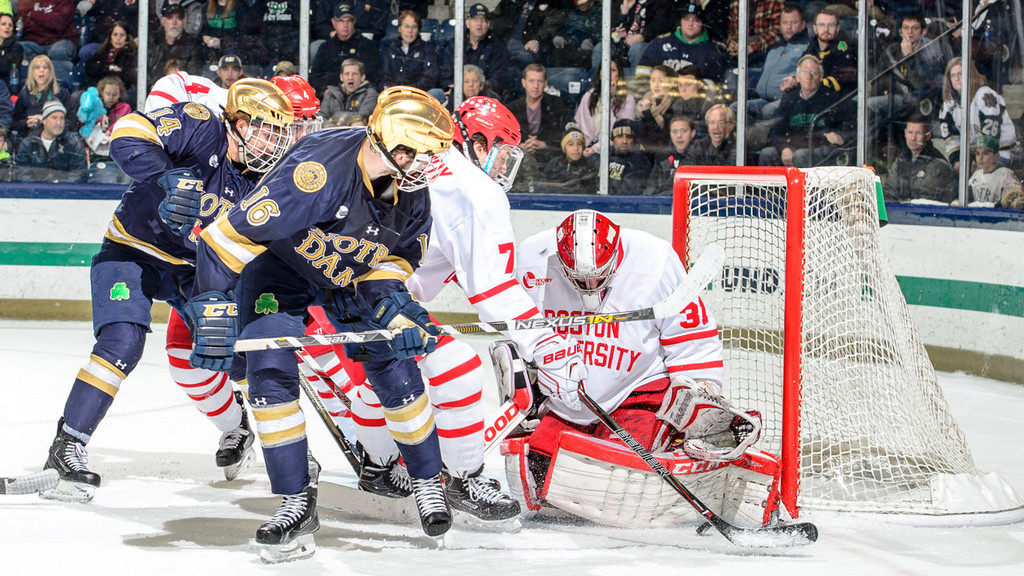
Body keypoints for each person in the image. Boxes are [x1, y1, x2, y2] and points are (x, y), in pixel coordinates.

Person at [189, 86, 457, 559]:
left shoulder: (412, 190)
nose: (428, 166)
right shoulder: (315, 173)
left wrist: (395, 307)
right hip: (281, 270)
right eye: (421, 154)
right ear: (394, 146)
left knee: (395, 366)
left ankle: (427, 480)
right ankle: (295, 498)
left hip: (351, 275)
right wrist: (212, 307)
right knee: (268, 371)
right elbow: (225, 239)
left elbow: (394, 259)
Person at [38, 78, 294, 505]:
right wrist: (167, 176)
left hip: (197, 271)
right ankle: (67, 444)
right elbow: (127, 132)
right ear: (241, 123)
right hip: (132, 249)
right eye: (269, 130)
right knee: (122, 341)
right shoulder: (201, 124)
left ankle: (258, 435)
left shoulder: (263, 182)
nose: (275, 142)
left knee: (234, 350)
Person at [349, 96, 587, 528]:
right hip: (369, 294)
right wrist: (545, 342)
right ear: (477, 144)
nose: (504, 167)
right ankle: (463, 479)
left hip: (338, 284)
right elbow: (492, 289)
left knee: (391, 372)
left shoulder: (430, 162)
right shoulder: (473, 189)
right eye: (502, 153)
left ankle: (377, 464)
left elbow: (437, 266)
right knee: (457, 368)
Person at [505, 210, 763, 526]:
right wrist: (534, 376)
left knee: (616, 476)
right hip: (565, 402)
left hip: (637, 392)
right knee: (537, 473)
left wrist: (700, 393)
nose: (590, 286)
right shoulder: (532, 259)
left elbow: (691, 336)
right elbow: (516, 327)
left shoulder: (655, 261)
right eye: (579, 278)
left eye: (599, 276)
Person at [759, 55, 851, 167]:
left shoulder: (832, 98)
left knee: (800, 155)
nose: (809, 77)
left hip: (820, 148)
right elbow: (775, 131)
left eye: (814, 73)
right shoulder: (789, 99)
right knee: (767, 153)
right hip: (794, 145)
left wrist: (842, 136)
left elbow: (860, 118)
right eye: (804, 73)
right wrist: (784, 148)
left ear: (821, 76)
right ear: (797, 77)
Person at [868, 12, 948, 129]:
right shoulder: (892, 50)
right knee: (856, 102)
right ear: (900, 32)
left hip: (914, 101)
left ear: (923, 32)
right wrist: (870, 92)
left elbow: (919, 85)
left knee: (869, 104)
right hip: (892, 95)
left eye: (915, 28)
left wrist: (908, 57)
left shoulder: (929, 53)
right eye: (906, 28)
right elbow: (879, 77)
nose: (910, 32)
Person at [937, 57, 1017, 171]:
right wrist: (956, 161)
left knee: (978, 178)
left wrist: (975, 159)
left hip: (1000, 153)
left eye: (960, 74)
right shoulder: (949, 102)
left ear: (970, 74)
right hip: (975, 154)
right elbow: (950, 137)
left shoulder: (984, 95)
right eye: (953, 75)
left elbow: (989, 135)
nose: (956, 78)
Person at [636, 2, 727, 83]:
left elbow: (714, 83)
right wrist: (648, 91)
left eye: (696, 20)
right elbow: (643, 70)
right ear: (680, 22)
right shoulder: (661, 42)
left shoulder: (712, 50)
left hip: (693, 96)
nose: (690, 24)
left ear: (702, 24)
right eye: (686, 19)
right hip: (659, 94)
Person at [744, 4, 807, 121]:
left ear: (803, 25)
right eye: (785, 23)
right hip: (762, 100)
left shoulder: (807, 48)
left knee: (768, 111)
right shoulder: (774, 48)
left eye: (793, 22)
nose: (789, 27)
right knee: (737, 108)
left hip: (787, 101)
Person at [441, 4, 513, 99]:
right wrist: (453, 88)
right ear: (467, 23)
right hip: (458, 94)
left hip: (485, 96)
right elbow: (446, 76)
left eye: (483, 20)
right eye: (475, 19)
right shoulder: (455, 45)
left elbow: (498, 79)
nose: (479, 24)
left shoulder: (496, 46)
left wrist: (478, 88)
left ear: (488, 24)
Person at [309, 2, 382, 96]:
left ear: (354, 22)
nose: (345, 25)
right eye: (341, 21)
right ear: (333, 22)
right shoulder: (325, 47)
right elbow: (315, 76)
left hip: (358, 95)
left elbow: (373, 75)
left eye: (349, 21)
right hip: (331, 95)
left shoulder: (367, 46)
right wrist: (324, 90)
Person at [882, 114, 957, 204]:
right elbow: (888, 193)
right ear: (905, 133)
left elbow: (925, 200)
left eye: (918, 133)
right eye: (910, 132)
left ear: (928, 136)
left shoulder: (938, 164)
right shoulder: (901, 160)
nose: (913, 138)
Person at [780, 6, 856, 96]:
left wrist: (800, 83)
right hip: (811, 95)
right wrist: (793, 80)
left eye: (831, 25)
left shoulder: (845, 49)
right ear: (815, 29)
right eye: (822, 25)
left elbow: (836, 83)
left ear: (837, 28)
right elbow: (802, 69)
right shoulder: (811, 46)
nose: (826, 29)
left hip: (836, 98)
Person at [507, 63, 570, 168]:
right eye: (531, 81)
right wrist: (521, 146)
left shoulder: (558, 105)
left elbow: (564, 136)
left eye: (539, 81)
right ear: (524, 83)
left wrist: (544, 145)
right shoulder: (512, 108)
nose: (536, 86)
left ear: (545, 83)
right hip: (521, 160)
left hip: (550, 160)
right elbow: (505, 139)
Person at [14, 99, 88, 182]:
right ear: (44, 121)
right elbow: (21, 173)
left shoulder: (74, 143)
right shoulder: (28, 143)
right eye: (54, 118)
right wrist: (38, 188)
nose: (59, 123)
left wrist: (61, 187)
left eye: (62, 118)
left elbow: (79, 174)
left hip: (65, 189)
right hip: (35, 189)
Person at [574, 58, 636, 156]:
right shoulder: (589, 95)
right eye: (605, 69)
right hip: (586, 147)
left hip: (612, 151)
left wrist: (595, 148)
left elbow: (624, 134)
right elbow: (579, 125)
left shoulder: (628, 99)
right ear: (600, 74)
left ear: (619, 75)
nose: (608, 74)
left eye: (613, 70)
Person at [77, 75, 132, 183]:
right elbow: (85, 123)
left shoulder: (125, 108)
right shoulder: (95, 107)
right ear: (101, 92)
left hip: (116, 150)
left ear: (120, 93)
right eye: (108, 94)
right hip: (94, 150)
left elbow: (124, 122)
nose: (111, 97)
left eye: (115, 94)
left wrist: (111, 129)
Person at [597, 0, 675, 70]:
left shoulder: (661, 3)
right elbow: (609, 29)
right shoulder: (621, 2)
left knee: (637, 48)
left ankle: (637, 81)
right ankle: (597, 81)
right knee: (600, 48)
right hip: (621, 43)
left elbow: (660, 27)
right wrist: (624, 12)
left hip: (646, 43)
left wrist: (643, 36)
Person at [11, 55, 74, 139]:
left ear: (50, 71)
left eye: (45, 67)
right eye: (37, 67)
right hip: (31, 138)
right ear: (32, 72)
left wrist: (48, 122)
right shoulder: (24, 94)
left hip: (57, 138)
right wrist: (27, 123)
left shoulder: (62, 94)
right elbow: (14, 123)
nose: (41, 70)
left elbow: (71, 123)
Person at [489, 0, 563, 71]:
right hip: (504, 43)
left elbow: (550, 26)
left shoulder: (552, 4)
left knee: (525, 60)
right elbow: (495, 19)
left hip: (526, 45)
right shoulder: (510, 2)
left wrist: (537, 40)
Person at [16, 0, 77, 84]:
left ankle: (58, 87)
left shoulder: (65, 2)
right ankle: (28, 86)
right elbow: (24, 23)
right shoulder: (28, 1)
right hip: (34, 43)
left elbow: (58, 24)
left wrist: (33, 14)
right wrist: (47, 21)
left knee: (59, 50)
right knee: (19, 48)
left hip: (60, 41)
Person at [381, 10, 440, 93]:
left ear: (418, 29)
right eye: (406, 26)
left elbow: (429, 79)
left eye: (414, 27)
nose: (410, 30)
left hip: (418, 95)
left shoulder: (427, 49)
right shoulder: (391, 49)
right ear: (399, 28)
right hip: (395, 95)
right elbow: (385, 77)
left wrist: (408, 91)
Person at [644, 114, 701, 195]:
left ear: (692, 133)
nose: (679, 136)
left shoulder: (700, 157)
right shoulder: (663, 156)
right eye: (674, 132)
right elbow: (650, 187)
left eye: (684, 131)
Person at [148, 3, 203, 81]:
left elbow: (194, 72)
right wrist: (151, 84)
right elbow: (137, 67)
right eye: (170, 18)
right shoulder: (151, 40)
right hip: (152, 86)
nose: (174, 22)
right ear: (163, 21)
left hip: (180, 86)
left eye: (178, 18)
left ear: (184, 21)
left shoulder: (194, 44)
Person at [635, 65, 679, 158]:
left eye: (661, 81)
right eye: (653, 80)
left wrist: (647, 113)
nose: (656, 85)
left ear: (671, 83)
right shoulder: (644, 102)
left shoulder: (674, 104)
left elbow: (659, 140)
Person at [539, 124, 598, 194]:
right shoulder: (554, 164)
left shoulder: (589, 166)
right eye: (571, 144)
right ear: (564, 148)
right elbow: (544, 188)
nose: (576, 148)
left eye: (579, 144)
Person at [968, 135, 1024, 208]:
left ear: (996, 156)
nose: (980, 158)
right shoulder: (976, 175)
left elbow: (1012, 204)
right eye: (977, 153)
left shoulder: (1006, 174)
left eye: (985, 153)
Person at [320, 58, 378, 127]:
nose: (350, 77)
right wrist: (331, 128)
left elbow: (363, 117)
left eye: (355, 74)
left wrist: (335, 117)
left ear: (362, 77)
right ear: (341, 77)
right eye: (347, 74)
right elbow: (320, 117)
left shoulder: (370, 94)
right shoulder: (330, 94)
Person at [601, 119, 653, 196]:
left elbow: (627, 193)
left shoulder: (640, 161)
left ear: (634, 140)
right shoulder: (605, 155)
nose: (624, 141)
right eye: (620, 136)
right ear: (613, 139)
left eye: (629, 137)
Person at [725, 0, 784, 67]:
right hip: (740, 49)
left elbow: (778, 33)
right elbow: (732, 32)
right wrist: (732, 44)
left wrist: (751, 47)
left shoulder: (776, 3)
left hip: (765, 48)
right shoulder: (736, 4)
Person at [84, 20, 137, 91]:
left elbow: (126, 76)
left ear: (127, 38)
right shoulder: (103, 51)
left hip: (121, 91)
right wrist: (109, 67)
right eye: (115, 35)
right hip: (99, 88)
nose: (118, 38)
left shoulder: (131, 54)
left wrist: (103, 69)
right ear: (110, 37)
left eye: (122, 35)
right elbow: (89, 67)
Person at [547, 0, 601, 69]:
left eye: (585, 4)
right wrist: (560, 36)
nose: (582, 6)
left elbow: (600, 33)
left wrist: (591, 41)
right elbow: (563, 28)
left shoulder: (599, 13)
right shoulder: (571, 12)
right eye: (580, 4)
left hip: (587, 49)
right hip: (569, 45)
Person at [0, 12, 24, 92]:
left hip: (5, 86)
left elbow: (5, 67)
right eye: (3, 24)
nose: (7, 27)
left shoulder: (16, 47)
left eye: (10, 25)